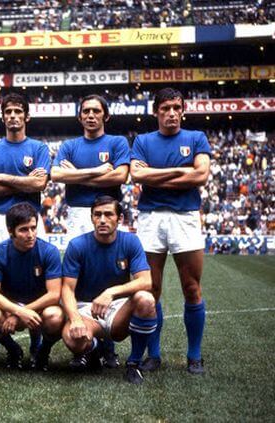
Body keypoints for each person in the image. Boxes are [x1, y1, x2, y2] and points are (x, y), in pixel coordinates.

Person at [130, 87, 211, 375]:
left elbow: (201, 175)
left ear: (183, 110)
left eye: (176, 107)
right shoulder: (143, 140)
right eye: (165, 108)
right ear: (156, 112)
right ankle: (154, 354)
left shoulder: (196, 138)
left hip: (185, 217)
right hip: (151, 218)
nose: (171, 113)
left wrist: (156, 175)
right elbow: (138, 175)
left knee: (191, 287)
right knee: (150, 289)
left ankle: (194, 355)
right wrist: (181, 172)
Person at [51, 94, 131, 369]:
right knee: (78, 276)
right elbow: (57, 175)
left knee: (110, 273)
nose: (90, 115)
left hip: (107, 214)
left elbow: (120, 176)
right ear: (80, 116)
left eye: (96, 111)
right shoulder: (70, 145)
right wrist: (98, 171)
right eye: (85, 111)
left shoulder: (117, 142)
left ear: (105, 116)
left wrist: (77, 173)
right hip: (77, 213)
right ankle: (88, 344)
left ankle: (108, 345)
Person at [0, 93, 51, 362]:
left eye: (18, 111)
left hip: (30, 219)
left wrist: (4, 178)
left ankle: (35, 338)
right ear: (3, 116)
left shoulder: (39, 148)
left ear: (27, 116)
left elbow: (39, 185)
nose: (13, 116)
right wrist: (23, 181)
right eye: (8, 112)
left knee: (35, 276)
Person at [61, 196, 157, 384]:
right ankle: (94, 349)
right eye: (97, 215)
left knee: (146, 299)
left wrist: (111, 292)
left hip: (117, 308)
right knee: (72, 339)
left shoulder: (130, 242)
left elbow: (146, 281)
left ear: (119, 219)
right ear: (91, 218)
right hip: (86, 310)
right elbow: (67, 289)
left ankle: (133, 364)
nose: (102, 220)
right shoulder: (77, 245)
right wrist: (75, 319)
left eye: (108, 214)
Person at [0, 202, 63, 371]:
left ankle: (41, 350)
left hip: (39, 305)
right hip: (9, 306)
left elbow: (54, 294)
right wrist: (17, 311)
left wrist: (23, 312)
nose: (30, 234)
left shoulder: (49, 251)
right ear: (11, 231)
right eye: (24, 229)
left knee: (55, 316)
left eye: (33, 228)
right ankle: (13, 350)